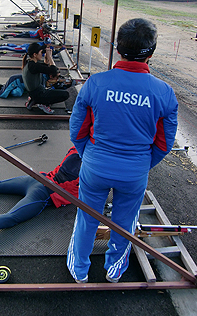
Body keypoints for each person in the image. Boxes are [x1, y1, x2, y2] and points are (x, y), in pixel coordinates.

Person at [67, 18, 178, 284]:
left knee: (87, 218)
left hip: (95, 166)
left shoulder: (96, 83)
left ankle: (79, 270)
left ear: (117, 48)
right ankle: (115, 269)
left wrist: (89, 156)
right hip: (135, 171)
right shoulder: (164, 92)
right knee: (124, 221)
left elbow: (77, 132)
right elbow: (164, 144)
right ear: (151, 53)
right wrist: (140, 164)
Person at [22, 42, 69, 114]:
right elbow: (54, 70)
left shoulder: (30, 63)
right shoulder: (34, 66)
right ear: (35, 54)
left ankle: (34, 100)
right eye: (41, 52)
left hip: (35, 93)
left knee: (57, 88)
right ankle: (43, 103)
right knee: (65, 94)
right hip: (39, 94)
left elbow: (45, 67)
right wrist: (50, 57)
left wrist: (47, 56)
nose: (42, 54)